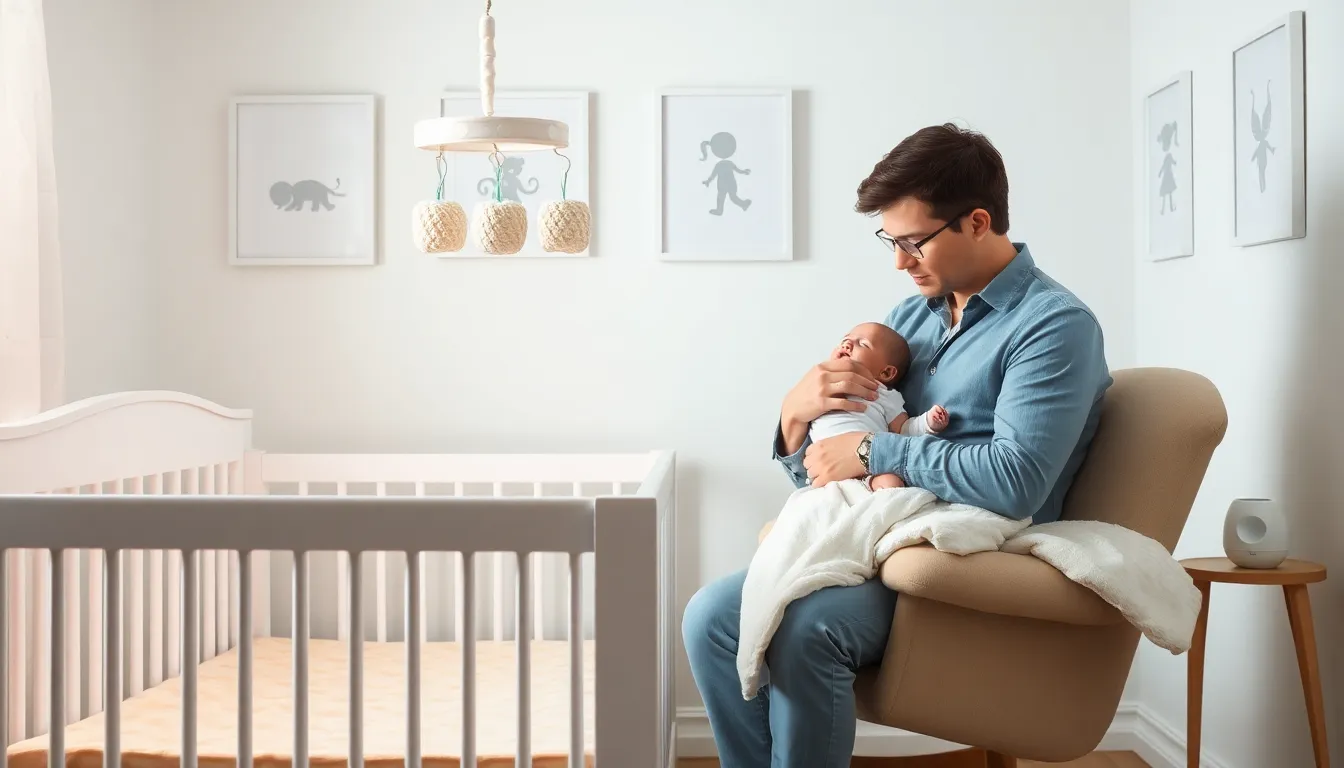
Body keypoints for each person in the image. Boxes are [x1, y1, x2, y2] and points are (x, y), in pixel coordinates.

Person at [682, 123, 1112, 767]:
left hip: (970, 561)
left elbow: (1017, 479)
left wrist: (875, 454)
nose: (899, 262)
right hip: (879, 536)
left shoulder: (1054, 327)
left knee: (805, 629)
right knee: (709, 616)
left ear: (976, 221)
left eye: (913, 242)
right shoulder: (910, 319)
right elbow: (830, 464)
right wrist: (794, 420)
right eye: (891, 240)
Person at [809, 321, 949, 491]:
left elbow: (903, 430)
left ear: (886, 373)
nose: (847, 343)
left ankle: (874, 488)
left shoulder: (883, 394)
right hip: (822, 468)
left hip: (866, 468)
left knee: (890, 482)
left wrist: (928, 422)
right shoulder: (821, 383)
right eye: (845, 339)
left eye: (863, 344)